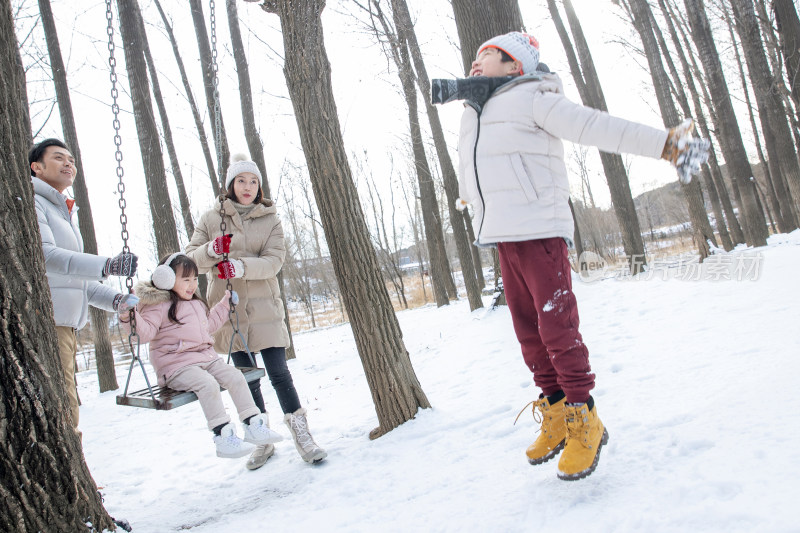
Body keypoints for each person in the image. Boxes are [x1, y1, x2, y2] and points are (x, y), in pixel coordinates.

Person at [440, 32, 708, 481]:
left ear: (515, 65)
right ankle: (559, 412)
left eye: (486, 55)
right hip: (503, 236)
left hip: (540, 230)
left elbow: (595, 126)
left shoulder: (534, 97)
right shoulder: (474, 112)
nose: (475, 62)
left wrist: (666, 143)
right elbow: (473, 166)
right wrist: (470, 201)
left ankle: (586, 416)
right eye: (474, 56)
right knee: (528, 334)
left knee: (555, 326)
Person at [186, 154, 327, 469]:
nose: (247, 186)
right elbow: (189, 260)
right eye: (241, 180)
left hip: (265, 308)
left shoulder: (271, 218)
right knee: (246, 378)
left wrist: (240, 265)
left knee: (279, 374)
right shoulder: (211, 219)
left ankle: (303, 436)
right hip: (229, 313)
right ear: (231, 185)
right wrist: (211, 251)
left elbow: (275, 261)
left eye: (253, 181)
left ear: (259, 185)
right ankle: (261, 439)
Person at [118, 253, 283, 458]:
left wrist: (224, 305)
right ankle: (223, 436)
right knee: (208, 385)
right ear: (165, 279)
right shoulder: (157, 306)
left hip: (206, 359)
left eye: (195, 279)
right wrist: (129, 315)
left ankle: (253, 425)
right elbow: (145, 333)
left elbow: (210, 325)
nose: (192, 284)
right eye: (186, 279)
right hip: (176, 367)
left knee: (235, 376)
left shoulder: (196, 303)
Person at [30, 138, 139, 433]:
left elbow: (73, 280)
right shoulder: (34, 202)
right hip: (48, 320)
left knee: (67, 400)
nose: (68, 163)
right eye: (58, 158)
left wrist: (116, 300)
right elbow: (47, 256)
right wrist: (106, 266)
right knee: (65, 403)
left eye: (71, 160)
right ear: (36, 167)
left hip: (64, 323)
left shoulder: (63, 209)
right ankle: (68, 472)